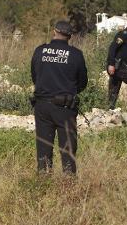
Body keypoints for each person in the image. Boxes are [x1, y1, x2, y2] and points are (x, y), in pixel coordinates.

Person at [31, 21, 88, 174]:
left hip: (42, 106)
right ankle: (68, 186)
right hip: (65, 108)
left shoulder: (40, 51)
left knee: (43, 148)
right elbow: (82, 82)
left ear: (54, 31)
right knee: (68, 149)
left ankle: (43, 181)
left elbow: (35, 77)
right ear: (70, 36)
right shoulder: (76, 54)